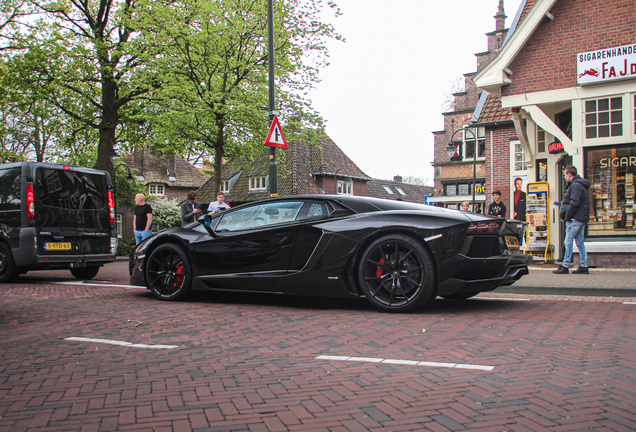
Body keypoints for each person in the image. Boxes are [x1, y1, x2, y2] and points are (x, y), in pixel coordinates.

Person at [553, 165, 591, 275]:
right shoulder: (581, 185)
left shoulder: (575, 186)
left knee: (568, 241)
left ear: (570, 175)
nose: (564, 177)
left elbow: (574, 202)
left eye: (565, 174)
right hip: (581, 218)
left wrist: (567, 216)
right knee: (580, 242)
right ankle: (584, 265)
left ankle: (565, 265)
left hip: (575, 218)